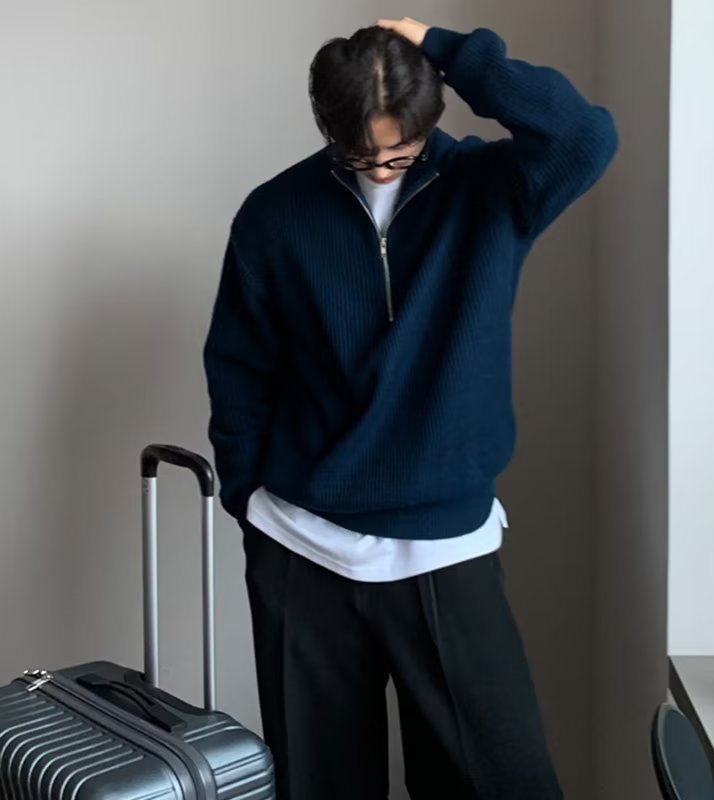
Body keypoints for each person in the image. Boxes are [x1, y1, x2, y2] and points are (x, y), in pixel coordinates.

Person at [203, 16, 617, 800]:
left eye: (402, 152)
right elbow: (239, 365)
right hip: (301, 542)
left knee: (502, 782)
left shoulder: (491, 190)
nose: (383, 169)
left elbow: (584, 136)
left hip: (446, 542)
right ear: (330, 128)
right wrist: (247, 495)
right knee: (320, 784)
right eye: (361, 155)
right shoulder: (275, 214)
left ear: (431, 123)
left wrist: (450, 48)